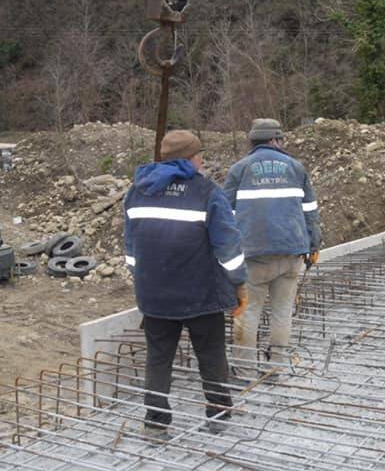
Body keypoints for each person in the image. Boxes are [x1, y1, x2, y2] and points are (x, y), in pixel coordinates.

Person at [123, 130, 248, 435]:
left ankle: (155, 423)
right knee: (211, 354)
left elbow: (131, 248)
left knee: (158, 359)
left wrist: (144, 281)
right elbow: (228, 246)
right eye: (200, 154)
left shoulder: (137, 191)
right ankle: (218, 417)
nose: (203, 159)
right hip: (200, 295)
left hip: (154, 296)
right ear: (190, 159)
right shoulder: (206, 191)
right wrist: (238, 283)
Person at [224, 118, 322, 378]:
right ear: (275, 140)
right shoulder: (296, 168)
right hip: (292, 253)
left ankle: (244, 370)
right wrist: (314, 246)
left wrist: (226, 256)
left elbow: (225, 217)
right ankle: (275, 366)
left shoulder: (239, 170)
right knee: (282, 311)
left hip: (254, 257)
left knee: (249, 311)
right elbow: (310, 212)